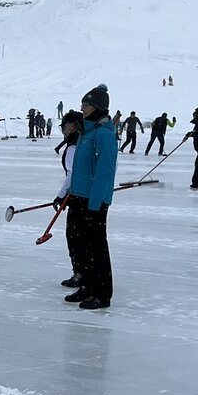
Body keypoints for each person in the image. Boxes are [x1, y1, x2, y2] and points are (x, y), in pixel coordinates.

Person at [64, 85, 117, 309]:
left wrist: (95, 203)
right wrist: (70, 193)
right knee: (81, 245)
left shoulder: (104, 135)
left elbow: (104, 173)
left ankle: (102, 292)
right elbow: (80, 169)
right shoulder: (87, 133)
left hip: (93, 201)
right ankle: (86, 286)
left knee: (96, 248)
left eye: (85, 105)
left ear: (97, 107)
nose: (82, 109)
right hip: (78, 197)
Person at [54, 111, 84, 291]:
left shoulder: (74, 146)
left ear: (73, 125)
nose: (63, 129)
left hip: (77, 196)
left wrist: (61, 195)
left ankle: (80, 273)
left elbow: (73, 174)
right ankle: (83, 272)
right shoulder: (82, 141)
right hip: (82, 194)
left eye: (64, 125)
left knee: (75, 237)